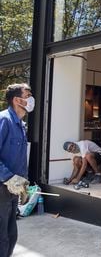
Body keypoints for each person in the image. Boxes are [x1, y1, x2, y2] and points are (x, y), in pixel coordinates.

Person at [0, 83, 34, 257]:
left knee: (11, 234)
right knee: (2, 237)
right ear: (16, 100)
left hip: (13, 188)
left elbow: (20, 157)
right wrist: (9, 178)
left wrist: (24, 183)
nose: (30, 99)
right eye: (27, 95)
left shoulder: (20, 125)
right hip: (2, 187)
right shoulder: (4, 120)